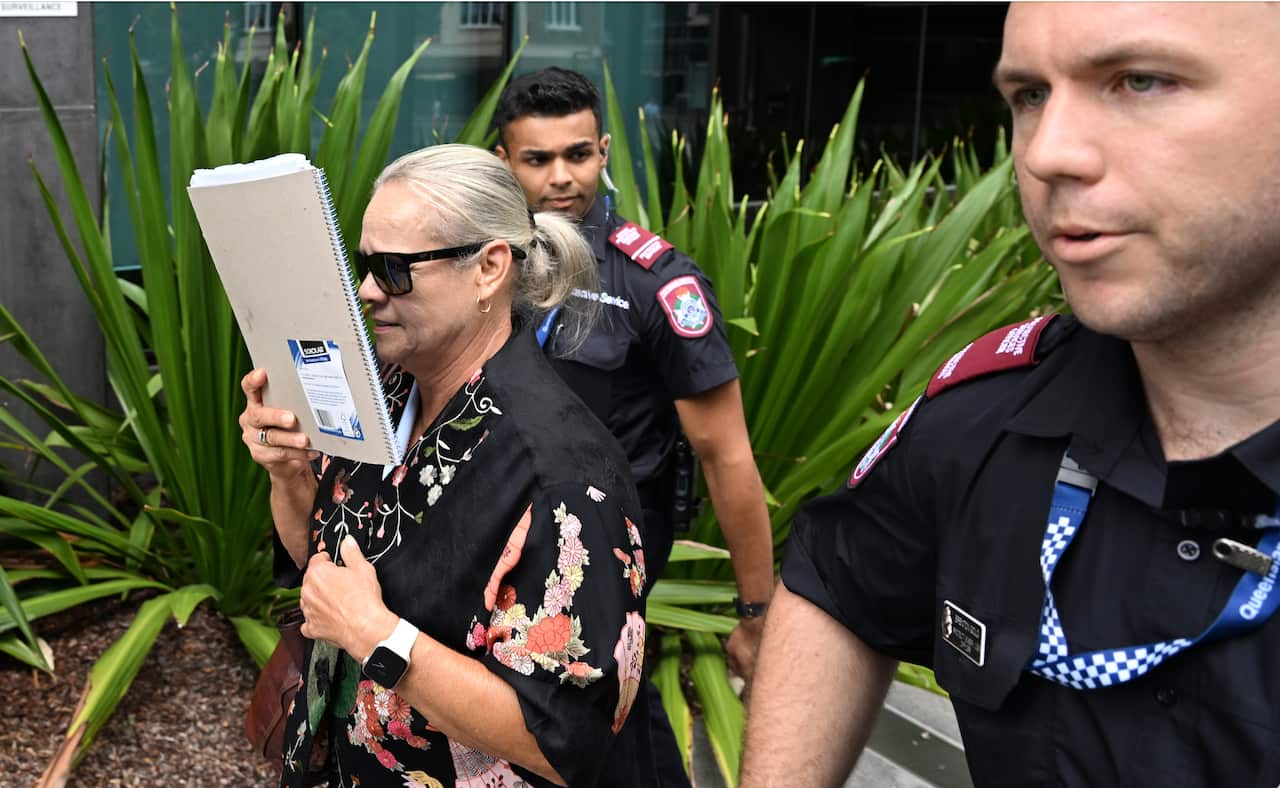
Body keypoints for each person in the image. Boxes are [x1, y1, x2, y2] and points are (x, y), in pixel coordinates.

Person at [742, 3, 1280, 787]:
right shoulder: (984, 417)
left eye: (1140, 81)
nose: (1048, 153)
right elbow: (838, 586)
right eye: (1030, 95)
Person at [238, 144, 677, 787]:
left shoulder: (565, 476)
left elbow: (562, 737)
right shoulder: (385, 389)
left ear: (489, 269)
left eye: (394, 269)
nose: (366, 290)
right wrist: (289, 474)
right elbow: (322, 556)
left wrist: (375, 634)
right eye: (363, 264)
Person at [492, 68, 776, 683]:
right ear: (504, 160)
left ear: (604, 152)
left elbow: (725, 454)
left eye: (577, 155)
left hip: (603, 574)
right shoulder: (484, 267)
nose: (561, 177)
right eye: (537, 159)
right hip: (492, 552)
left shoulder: (657, 284)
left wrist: (756, 613)